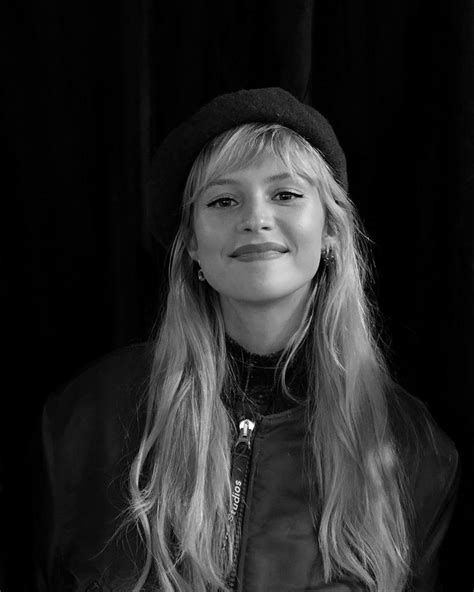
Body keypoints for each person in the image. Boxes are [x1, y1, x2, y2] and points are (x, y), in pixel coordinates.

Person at [33, 88, 459, 592]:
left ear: (330, 232)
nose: (255, 218)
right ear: (191, 243)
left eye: (286, 194)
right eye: (223, 200)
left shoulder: (411, 446)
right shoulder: (91, 417)